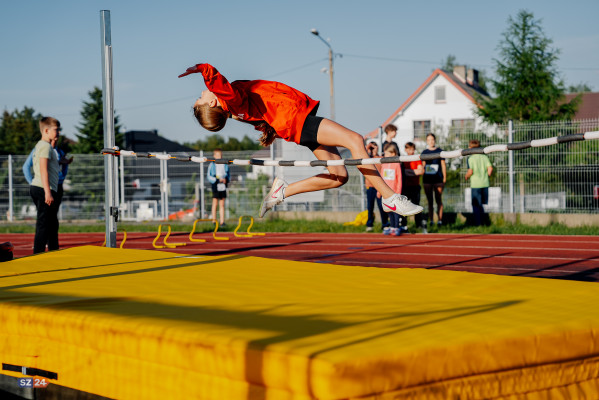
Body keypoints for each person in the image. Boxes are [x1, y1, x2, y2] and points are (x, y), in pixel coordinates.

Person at [179, 63, 423, 219]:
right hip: (298, 121)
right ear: (214, 101)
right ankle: (390, 198)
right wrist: (203, 68)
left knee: (339, 176)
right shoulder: (232, 101)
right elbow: (221, 86)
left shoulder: (235, 109)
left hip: (294, 123)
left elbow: (259, 113)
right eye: (201, 97)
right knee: (355, 140)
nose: (202, 92)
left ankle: (283, 192)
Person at [29, 117, 61, 254]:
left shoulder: (44, 145)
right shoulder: (45, 146)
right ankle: (38, 253)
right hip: (43, 188)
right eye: (56, 130)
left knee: (52, 222)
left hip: (42, 188)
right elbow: (43, 169)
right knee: (44, 223)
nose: (58, 132)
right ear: (46, 130)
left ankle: (53, 250)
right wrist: (48, 192)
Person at [23, 134, 73, 213]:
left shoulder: (60, 152)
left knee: (53, 214)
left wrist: (62, 177)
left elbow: (64, 165)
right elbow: (26, 166)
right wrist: (32, 183)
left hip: (58, 185)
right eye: (52, 140)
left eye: (56, 140)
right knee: (45, 214)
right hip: (44, 186)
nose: (54, 142)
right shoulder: (40, 149)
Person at [465, 139, 493, 226]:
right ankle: (484, 222)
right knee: (481, 205)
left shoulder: (470, 158)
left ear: (470, 148)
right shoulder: (484, 157)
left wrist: (466, 176)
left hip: (475, 185)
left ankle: (478, 223)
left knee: (476, 205)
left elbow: (470, 171)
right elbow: (490, 169)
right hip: (485, 183)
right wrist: (486, 175)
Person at [421, 133, 446, 228]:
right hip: (427, 179)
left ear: (435, 140)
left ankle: (440, 221)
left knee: (438, 199)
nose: (431, 141)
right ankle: (431, 220)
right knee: (430, 201)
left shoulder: (440, 151)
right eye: (429, 140)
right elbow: (423, 165)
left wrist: (444, 178)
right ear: (426, 141)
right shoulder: (424, 152)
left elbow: (443, 165)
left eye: (432, 139)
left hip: (438, 179)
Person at [378, 142, 403, 236]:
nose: (385, 155)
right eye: (385, 153)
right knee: (389, 210)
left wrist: (398, 191)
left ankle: (396, 227)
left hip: (394, 192)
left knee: (395, 210)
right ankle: (392, 226)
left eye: (387, 153)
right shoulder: (384, 164)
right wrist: (379, 190)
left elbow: (399, 178)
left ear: (393, 153)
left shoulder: (396, 164)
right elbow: (381, 177)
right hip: (385, 192)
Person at [364, 140, 388, 232]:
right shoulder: (367, 158)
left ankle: (385, 224)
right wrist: (368, 148)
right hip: (370, 186)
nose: (373, 148)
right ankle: (369, 224)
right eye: (372, 147)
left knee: (381, 206)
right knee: (370, 206)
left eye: (375, 146)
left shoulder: (380, 158)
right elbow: (361, 155)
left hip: (379, 186)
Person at [400, 142, 425, 233]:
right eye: (409, 149)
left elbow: (421, 171)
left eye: (413, 149)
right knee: (404, 206)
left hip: (415, 186)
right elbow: (402, 172)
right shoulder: (403, 160)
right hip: (406, 187)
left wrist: (408, 172)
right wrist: (414, 172)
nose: (411, 151)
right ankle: (404, 225)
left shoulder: (417, 159)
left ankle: (418, 225)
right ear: (406, 150)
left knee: (416, 206)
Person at [207, 148, 230, 226]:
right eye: (217, 155)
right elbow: (209, 176)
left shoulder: (225, 164)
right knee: (215, 203)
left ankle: (222, 221)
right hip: (216, 184)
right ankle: (214, 221)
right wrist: (216, 180)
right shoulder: (212, 165)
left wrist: (226, 179)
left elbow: (228, 174)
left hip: (223, 185)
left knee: (222, 204)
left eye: (220, 155)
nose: (219, 157)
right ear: (214, 156)